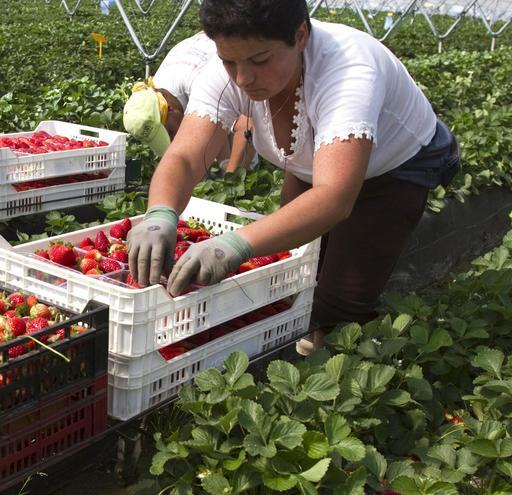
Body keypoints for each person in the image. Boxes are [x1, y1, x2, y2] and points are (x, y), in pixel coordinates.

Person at [126, 0, 459, 352]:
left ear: (300, 36)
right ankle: (294, 340)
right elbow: (185, 155)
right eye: (229, 60)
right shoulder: (224, 74)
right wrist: (160, 213)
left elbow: (333, 197)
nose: (242, 78)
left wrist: (234, 244)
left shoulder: (349, 73)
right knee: (297, 264)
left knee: (342, 296)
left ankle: (332, 356)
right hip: (312, 161)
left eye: (259, 60)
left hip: (396, 168)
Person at [123, 32, 256, 173]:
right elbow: (214, 120)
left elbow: (247, 123)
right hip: (205, 53)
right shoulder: (155, 89)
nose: (173, 139)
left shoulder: (203, 82)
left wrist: (233, 177)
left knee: (245, 158)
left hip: (243, 49)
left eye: (171, 131)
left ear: (171, 108)